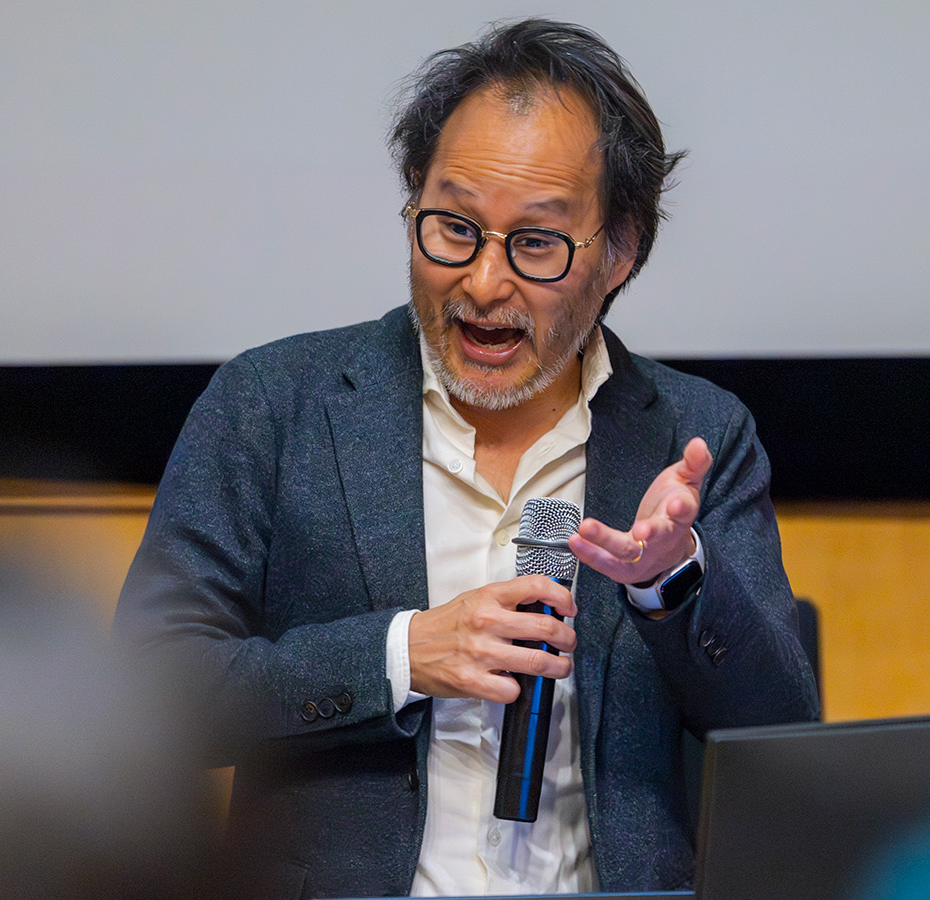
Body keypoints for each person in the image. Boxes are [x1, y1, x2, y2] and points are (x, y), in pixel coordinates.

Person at [115, 18, 817, 898]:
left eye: (536, 243)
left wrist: (670, 586)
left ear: (620, 251)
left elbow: (784, 736)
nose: (484, 284)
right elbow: (146, 698)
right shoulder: (273, 406)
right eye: (453, 227)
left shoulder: (696, 435)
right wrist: (403, 654)